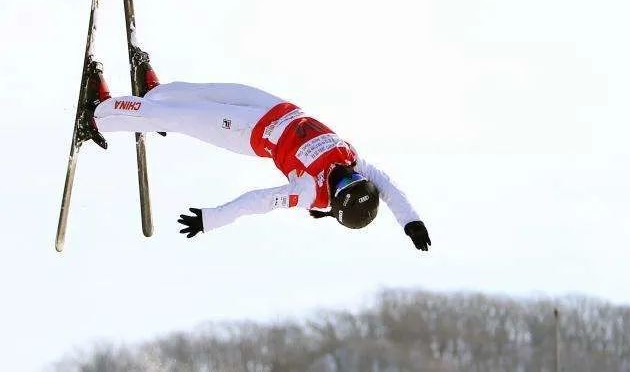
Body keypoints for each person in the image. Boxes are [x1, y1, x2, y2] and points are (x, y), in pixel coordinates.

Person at [81, 50, 431, 251]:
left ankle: (99, 115)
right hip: (277, 108)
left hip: (247, 132)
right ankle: (154, 93)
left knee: (182, 118)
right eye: (354, 179)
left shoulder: (309, 191)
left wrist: (213, 218)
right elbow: (389, 188)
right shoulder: (354, 164)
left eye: (343, 186)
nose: (346, 176)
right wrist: (411, 222)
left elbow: (260, 201)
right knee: (209, 91)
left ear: (334, 200)